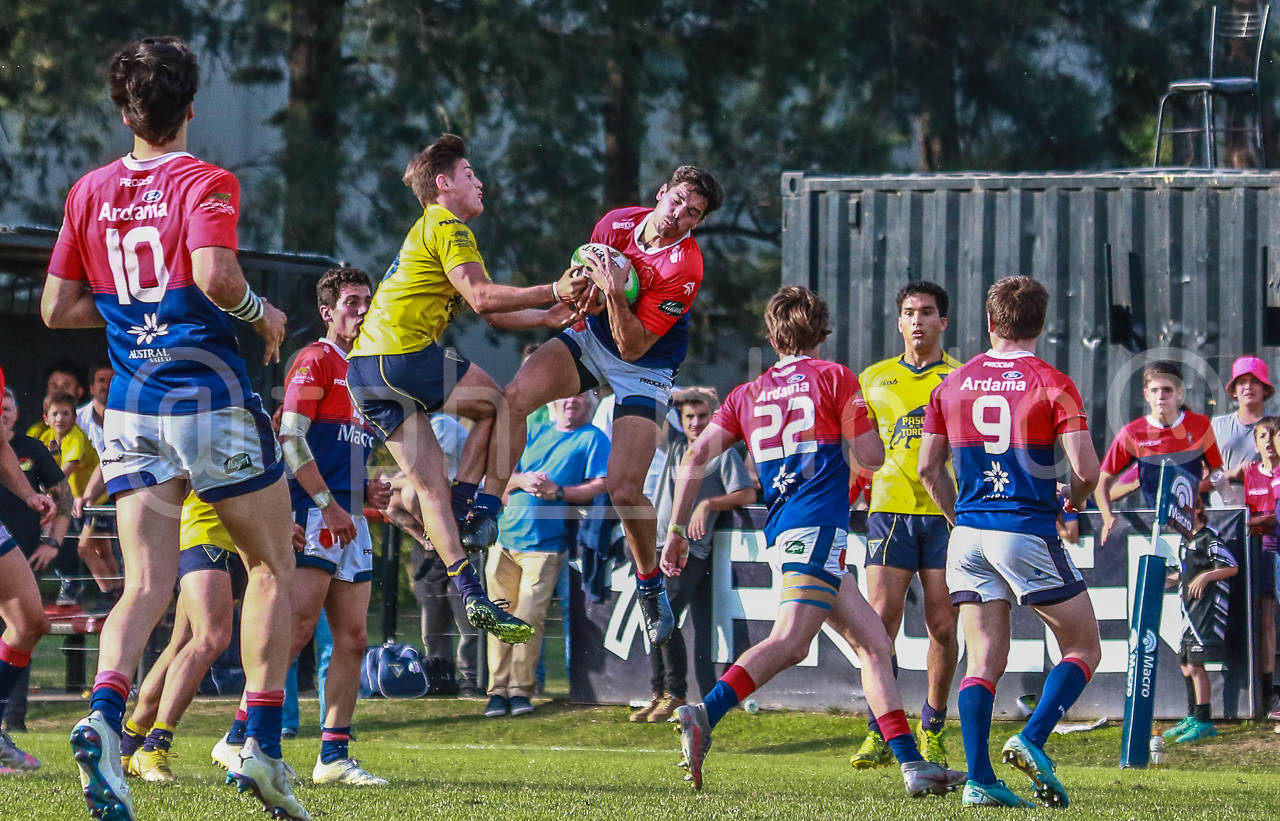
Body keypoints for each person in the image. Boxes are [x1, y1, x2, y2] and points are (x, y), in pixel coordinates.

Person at [42, 37, 308, 821]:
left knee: (146, 584)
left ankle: (103, 715)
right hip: (208, 396)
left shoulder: (88, 191)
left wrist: (131, 316)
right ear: (191, 106)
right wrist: (263, 313)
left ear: (124, 113)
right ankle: (260, 746)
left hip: (132, 407)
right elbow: (216, 275)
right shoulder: (204, 180)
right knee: (271, 565)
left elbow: (56, 308)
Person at [662, 285, 964, 796]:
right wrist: (880, 429)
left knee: (874, 644)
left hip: (787, 527)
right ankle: (705, 712)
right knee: (791, 642)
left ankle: (914, 766)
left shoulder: (747, 393)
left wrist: (674, 530)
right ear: (822, 333)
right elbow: (871, 456)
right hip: (817, 526)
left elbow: (694, 457)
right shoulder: (834, 377)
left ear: (772, 336)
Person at [345, 133, 588, 647]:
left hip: (365, 372)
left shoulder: (430, 228)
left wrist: (545, 316)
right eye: (470, 174)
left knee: (430, 488)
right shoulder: (447, 224)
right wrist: (554, 289)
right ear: (444, 183)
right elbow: (482, 297)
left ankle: (470, 591)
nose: (480, 183)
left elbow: (492, 309)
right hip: (402, 355)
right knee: (500, 405)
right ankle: (479, 509)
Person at [497, 166, 725, 649]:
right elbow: (582, 296)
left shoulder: (684, 267)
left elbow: (634, 346)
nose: (679, 214)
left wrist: (616, 292)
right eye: (677, 200)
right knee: (513, 397)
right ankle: (483, 505)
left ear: (697, 223)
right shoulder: (616, 222)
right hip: (592, 339)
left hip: (645, 364)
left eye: (693, 213)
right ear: (661, 193)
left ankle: (649, 585)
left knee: (624, 489)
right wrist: (585, 291)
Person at [918, 275, 1102, 809]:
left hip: (968, 535)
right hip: (1021, 529)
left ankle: (980, 780)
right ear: (1041, 324)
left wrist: (960, 518)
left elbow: (928, 469)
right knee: (1083, 647)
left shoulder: (952, 382)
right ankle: (1033, 737)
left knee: (982, 662)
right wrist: (1073, 500)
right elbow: (1087, 470)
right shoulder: (1052, 382)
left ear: (989, 322)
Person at [222, 267, 392, 785]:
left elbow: (342, 449)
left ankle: (333, 757)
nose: (362, 310)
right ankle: (239, 739)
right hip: (316, 513)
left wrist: (364, 490)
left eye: (367, 301)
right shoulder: (315, 360)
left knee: (353, 638)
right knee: (293, 631)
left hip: (348, 515)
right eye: (351, 302)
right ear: (327, 312)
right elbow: (291, 439)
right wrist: (328, 503)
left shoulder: (368, 371)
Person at [852, 281, 961, 768]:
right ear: (899, 322)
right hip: (889, 511)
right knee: (880, 625)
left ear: (943, 322)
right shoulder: (873, 378)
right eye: (910, 312)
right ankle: (880, 731)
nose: (918, 320)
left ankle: (933, 728)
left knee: (943, 625)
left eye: (927, 312)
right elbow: (860, 449)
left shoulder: (960, 378)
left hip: (944, 514)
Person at [485, 391, 609, 717]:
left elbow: (601, 485)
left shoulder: (594, 438)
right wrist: (522, 479)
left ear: (589, 402)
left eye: (579, 397)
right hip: (504, 539)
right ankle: (497, 690)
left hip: (545, 547)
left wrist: (559, 491)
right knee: (498, 617)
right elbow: (498, 476)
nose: (571, 402)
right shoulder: (534, 431)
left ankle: (520, 690)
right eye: (566, 397)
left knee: (528, 618)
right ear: (554, 402)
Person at [631, 389, 753, 723]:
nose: (696, 423)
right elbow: (652, 405)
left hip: (691, 551)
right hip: (655, 545)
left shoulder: (722, 453)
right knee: (654, 617)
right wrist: (685, 394)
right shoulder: (674, 445)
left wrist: (709, 504)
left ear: (713, 417)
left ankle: (675, 694)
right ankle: (658, 693)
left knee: (664, 615)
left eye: (703, 416)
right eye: (689, 417)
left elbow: (746, 492)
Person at [121, 493, 246, 782]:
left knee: (181, 644)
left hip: (234, 538)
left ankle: (128, 745)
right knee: (211, 638)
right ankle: (154, 747)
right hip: (210, 533)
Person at [0, 388, 70, 737]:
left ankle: (11, 721)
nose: (2, 412)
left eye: (6, 407)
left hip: (20, 555)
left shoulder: (31, 449)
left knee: (28, 625)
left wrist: (52, 543)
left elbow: (64, 495)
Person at [1095, 362, 1231, 542]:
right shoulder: (1132, 433)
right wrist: (1107, 516)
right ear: (1146, 394)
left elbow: (1217, 473)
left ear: (1179, 393)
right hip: (1154, 526)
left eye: (1167, 390)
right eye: (1154, 390)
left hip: (1195, 524)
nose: (1161, 396)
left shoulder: (1200, 424)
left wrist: (1226, 503)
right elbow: (1102, 483)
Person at [1160, 496, 1237, 743]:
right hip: (1188, 611)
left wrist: (1206, 576)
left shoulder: (1208, 538)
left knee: (1195, 665)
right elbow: (1185, 573)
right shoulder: (1186, 539)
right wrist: (1165, 580)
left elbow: (1231, 566)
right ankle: (1192, 715)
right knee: (1184, 663)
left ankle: (1204, 721)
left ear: (1197, 509)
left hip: (1205, 611)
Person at [1214, 356, 1272, 474]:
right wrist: (1233, 473)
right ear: (1234, 391)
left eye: (1255, 382)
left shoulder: (1276, 426)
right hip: (1224, 486)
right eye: (1242, 382)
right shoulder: (1217, 425)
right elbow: (1204, 475)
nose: (1248, 387)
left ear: (1265, 390)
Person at [26, 359, 86, 439]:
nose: (59, 390)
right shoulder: (36, 432)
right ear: (47, 391)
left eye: (66, 386)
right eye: (54, 386)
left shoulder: (87, 424)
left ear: (79, 391)